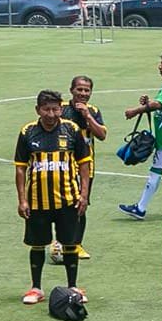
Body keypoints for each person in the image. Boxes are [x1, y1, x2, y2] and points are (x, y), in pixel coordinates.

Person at [14, 90, 92, 307]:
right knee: (37, 244)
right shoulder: (28, 132)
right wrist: (22, 200)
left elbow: (84, 164)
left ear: (61, 109)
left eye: (55, 109)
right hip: (37, 201)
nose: (51, 114)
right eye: (46, 109)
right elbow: (20, 168)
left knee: (70, 243)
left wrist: (84, 195)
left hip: (68, 199)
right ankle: (36, 288)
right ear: (37, 110)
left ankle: (73, 286)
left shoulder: (72, 129)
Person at [119, 51, 162, 220]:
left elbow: (158, 104)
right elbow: (160, 104)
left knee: (156, 170)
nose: (160, 67)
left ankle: (140, 208)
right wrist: (148, 102)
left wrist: (135, 111)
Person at [63, 76, 105, 259]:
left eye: (87, 90)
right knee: (62, 205)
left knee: (81, 204)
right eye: (79, 89)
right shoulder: (61, 109)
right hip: (63, 165)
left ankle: (77, 243)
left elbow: (102, 134)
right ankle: (62, 241)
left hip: (85, 167)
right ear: (71, 90)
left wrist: (87, 116)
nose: (83, 93)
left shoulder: (93, 111)